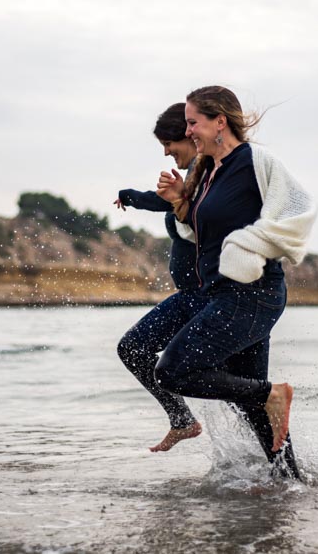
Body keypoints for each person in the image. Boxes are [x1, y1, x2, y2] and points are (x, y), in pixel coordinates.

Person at [153, 85, 317, 479]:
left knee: (172, 372)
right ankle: (290, 483)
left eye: (193, 122)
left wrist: (250, 242)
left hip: (254, 293)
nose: (188, 130)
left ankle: (273, 394)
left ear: (219, 121)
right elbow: (202, 236)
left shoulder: (255, 162)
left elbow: (300, 210)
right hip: (223, 293)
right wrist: (181, 203)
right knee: (252, 404)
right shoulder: (210, 171)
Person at [115, 104, 208, 453]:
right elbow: (167, 201)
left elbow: (190, 206)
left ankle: (275, 470)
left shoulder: (207, 172)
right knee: (133, 349)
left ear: (188, 134)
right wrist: (132, 198)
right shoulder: (193, 176)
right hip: (189, 298)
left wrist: (138, 197)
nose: (167, 152)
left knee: (234, 388)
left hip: (209, 297)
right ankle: (183, 420)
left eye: (168, 144)